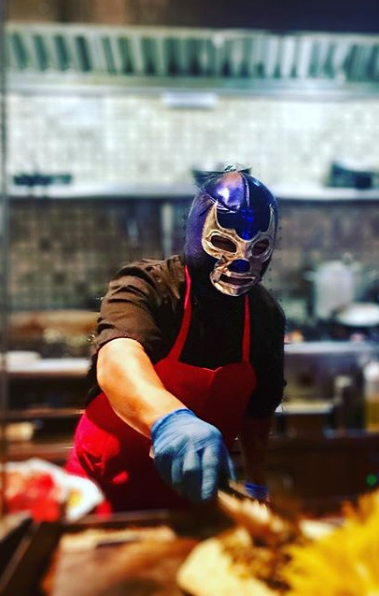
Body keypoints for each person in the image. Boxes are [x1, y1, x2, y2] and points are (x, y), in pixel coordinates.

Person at [66, 168, 285, 511]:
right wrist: (170, 420)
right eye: (224, 243)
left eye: (258, 248)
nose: (241, 262)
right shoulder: (146, 286)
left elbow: (258, 410)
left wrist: (256, 483)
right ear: (198, 232)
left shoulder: (264, 314)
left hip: (193, 500)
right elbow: (117, 357)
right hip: (99, 493)